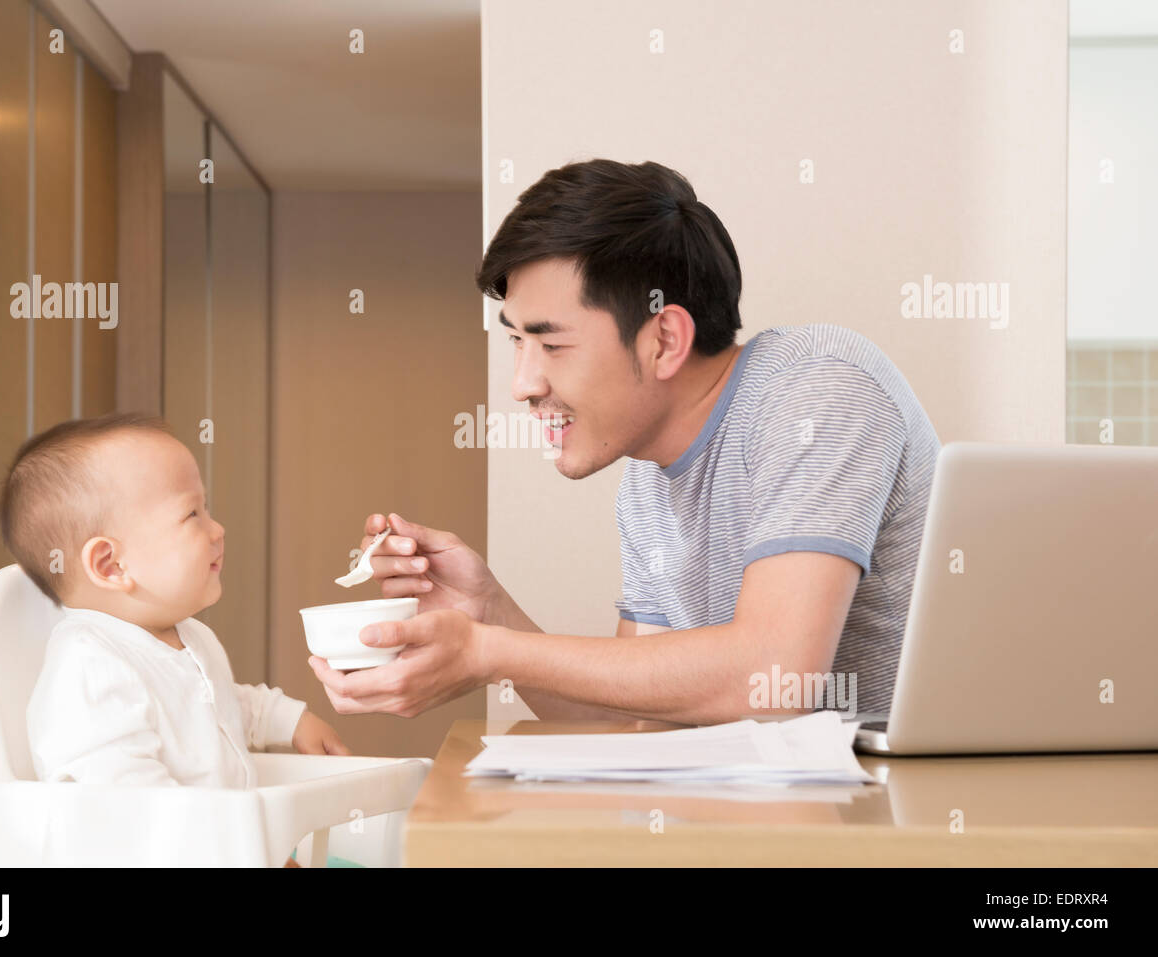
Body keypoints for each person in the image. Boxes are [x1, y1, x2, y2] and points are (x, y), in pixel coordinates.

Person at [307, 158, 940, 725]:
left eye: (552, 344)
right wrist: (490, 615)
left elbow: (776, 680)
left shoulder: (817, 390)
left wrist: (488, 653)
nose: (522, 385)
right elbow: (629, 727)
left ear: (664, 338)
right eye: (516, 343)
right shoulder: (646, 479)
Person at [0, 412, 348, 792]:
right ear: (112, 564)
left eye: (207, 509)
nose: (217, 529)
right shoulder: (90, 667)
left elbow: (222, 707)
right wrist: (225, 842)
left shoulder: (188, 637)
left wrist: (289, 721)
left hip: (223, 843)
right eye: (192, 514)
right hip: (168, 850)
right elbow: (128, 797)